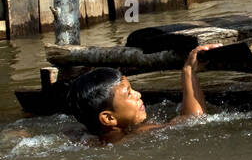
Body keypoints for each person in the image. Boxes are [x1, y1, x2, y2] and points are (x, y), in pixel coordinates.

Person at [66, 46, 213, 144]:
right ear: (108, 118)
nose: (138, 94)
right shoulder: (137, 135)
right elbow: (194, 120)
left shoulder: (85, 138)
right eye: (129, 93)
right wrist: (188, 70)